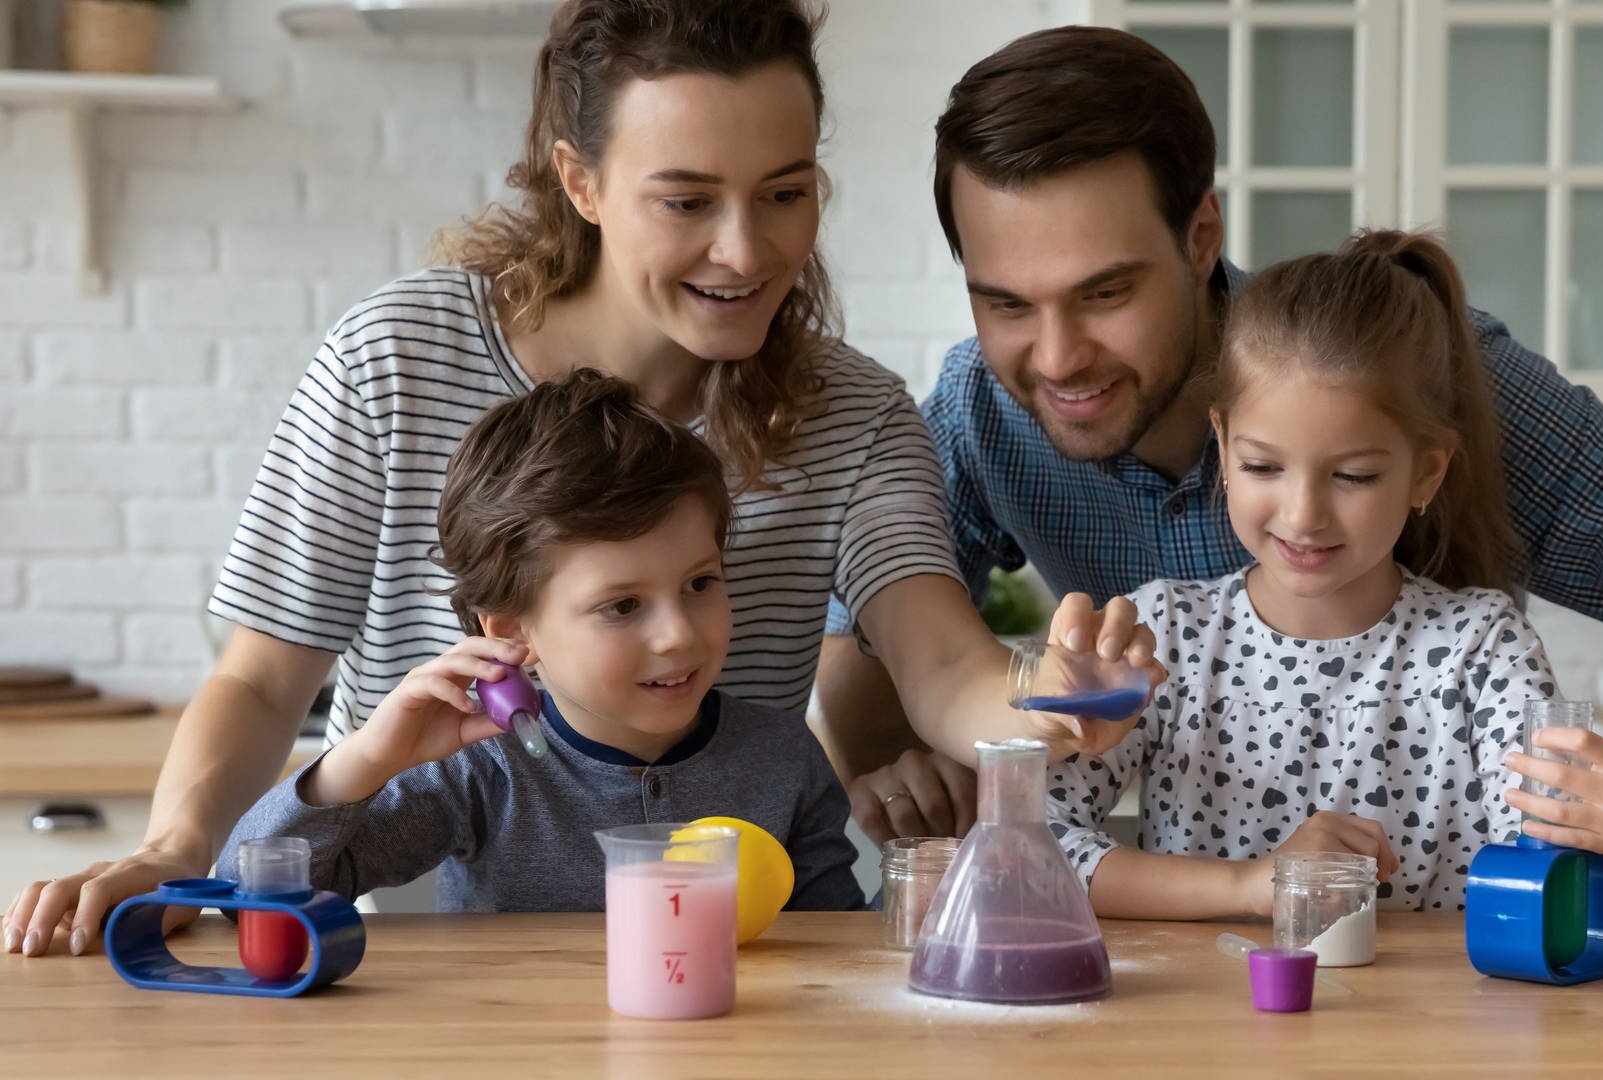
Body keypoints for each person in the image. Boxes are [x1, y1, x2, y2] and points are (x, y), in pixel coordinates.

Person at [5, 0, 1152, 958]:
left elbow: (944, 660)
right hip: (433, 956)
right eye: (687, 199)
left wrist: (1056, 700)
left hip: (723, 963)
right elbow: (264, 681)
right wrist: (173, 851)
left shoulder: (852, 416)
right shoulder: (393, 358)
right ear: (583, 181)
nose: (747, 251)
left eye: (786, 192)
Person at [819, 26, 1603, 945]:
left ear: (1201, 237)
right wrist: (902, 769)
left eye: (1106, 292)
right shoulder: (980, 413)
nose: (1056, 359)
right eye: (1006, 303)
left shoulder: (1417, 378)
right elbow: (879, 633)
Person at [1046, 231, 1603, 918]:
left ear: (1426, 472)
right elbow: (1036, 844)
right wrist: (1254, 886)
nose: (1303, 516)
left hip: (1433, 1026)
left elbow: (1562, 900)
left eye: (1353, 476)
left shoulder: (1479, 650)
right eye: (1263, 466)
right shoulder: (1166, 638)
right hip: (1216, 1026)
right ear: (1222, 440)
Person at [216, 371, 865, 911]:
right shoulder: (479, 770)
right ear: (514, 633)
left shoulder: (783, 759)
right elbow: (247, 894)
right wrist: (364, 762)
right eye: (623, 605)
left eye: (699, 583)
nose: (678, 634)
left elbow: (835, 953)